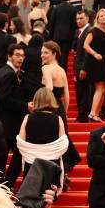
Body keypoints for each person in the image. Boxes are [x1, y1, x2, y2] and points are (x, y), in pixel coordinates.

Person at [17, 87, 68, 208]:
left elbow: (21, 142)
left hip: (32, 164)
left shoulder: (28, 118)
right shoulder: (57, 119)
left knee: (32, 197)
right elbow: (63, 143)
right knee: (47, 198)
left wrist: (35, 153)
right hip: (50, 164)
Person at [0, 43, 32, 189]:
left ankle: (3, 185)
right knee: (16, 154)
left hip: (2, 122)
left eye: (22, 55)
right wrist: (26, 106)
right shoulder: (8, 74)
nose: (20, 58)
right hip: (6, 124)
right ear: (9, 56)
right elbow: (5, 100)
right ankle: (5, 185)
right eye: (17, 55)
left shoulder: (5, 71)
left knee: (3, 156)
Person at [41, 40, 81, 175]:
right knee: (62, 138)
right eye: (42, 52)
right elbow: (67, 96)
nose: (42, 55)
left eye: (45, 53)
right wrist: (64, 111)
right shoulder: (62, 70)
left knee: (52, 141)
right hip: (60, 109)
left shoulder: (45, 68)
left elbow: (49, 88)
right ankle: (64, 168)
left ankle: (56, 171)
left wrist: (43, 105)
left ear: (54, 54)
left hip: (49, 108)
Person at [83, 8, 105, 122]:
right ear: (97, 18)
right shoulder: (93, 31)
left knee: (104, 89)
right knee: (100, 87)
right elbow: (85, 45)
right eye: (101, 16)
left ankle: (96, 114)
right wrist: (95, 54)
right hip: (96, 63)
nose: (103, 17)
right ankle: (92, 113)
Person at [48, 0, 77, 71]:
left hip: (56, 35)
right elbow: (74, 24)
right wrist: (73, 37)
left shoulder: (56, 8)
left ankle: (58, 72)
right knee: (64, 55)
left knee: (58, 55)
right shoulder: (72, 8)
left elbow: (52, 23)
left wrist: (50, 37)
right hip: (68, 36)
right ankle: (63, 73)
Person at [72, 9, 92, 123]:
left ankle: (83, 117)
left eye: (81, 18)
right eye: (77, 19)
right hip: (79, 67)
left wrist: (83, 69)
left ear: (87, 18)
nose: (78, 21)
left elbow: (87, 53)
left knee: (83, 93)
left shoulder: (89, 31)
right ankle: (82, 115)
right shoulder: (80, 32)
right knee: (80, 92)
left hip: (83, 68)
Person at [22, 33, 44, 101]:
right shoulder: (42, 52)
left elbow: (23, 66)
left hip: (28, 79)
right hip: (39, 79)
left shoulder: (26, 51)